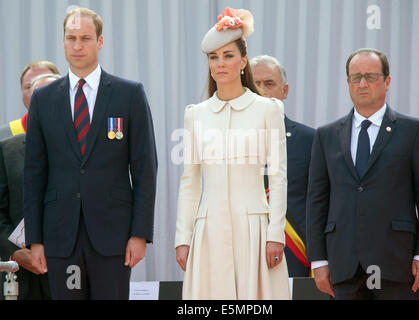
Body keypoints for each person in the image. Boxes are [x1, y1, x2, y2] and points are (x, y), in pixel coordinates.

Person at [23, 8, 158, 300]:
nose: (77, 45)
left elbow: (145, 167)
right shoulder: (43, 100)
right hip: (60, 237)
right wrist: (35, 240)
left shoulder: (129, 94)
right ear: (62, 42)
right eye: (71, 38)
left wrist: (139, 233)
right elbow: (34, 173)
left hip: (114, 236)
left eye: (85, 38)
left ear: (100, 41)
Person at [174, 7, 290, 300]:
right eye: (214, 57)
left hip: (254, 230)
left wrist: (275, 234)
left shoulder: (268, 109)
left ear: (243, 61)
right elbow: (190, 183)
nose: (220, 64)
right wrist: (182, 239)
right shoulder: (195, 115)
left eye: (227, 56)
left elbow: (277, 177)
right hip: (208, 230)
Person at [306, 48, 419, 300]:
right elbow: (316, 201)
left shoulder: (413, 131)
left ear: (387, 81)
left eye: (370, 76)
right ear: (347, 83)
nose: (362, 83)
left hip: (395, 262)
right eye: (356, 77)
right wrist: (318, 260)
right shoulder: (326, 136)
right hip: (343, 265)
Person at [250, 55, 315, 278]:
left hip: (293, 256)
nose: (261, 91)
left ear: (284, 91)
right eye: (254, 84)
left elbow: (320, 203)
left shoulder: (311, 141)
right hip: (241, 254)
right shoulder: (228, 141)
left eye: (269, 84)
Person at [0, 73, 60, 300]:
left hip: (69, 271)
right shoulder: (6, 151)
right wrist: (14, 252)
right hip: (20, 275)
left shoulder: (86, 153)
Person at [0, 61, 59, 141]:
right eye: (29, 87)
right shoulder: (4, 135)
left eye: (46, 86)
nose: (37, 93)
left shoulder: (77, 131)